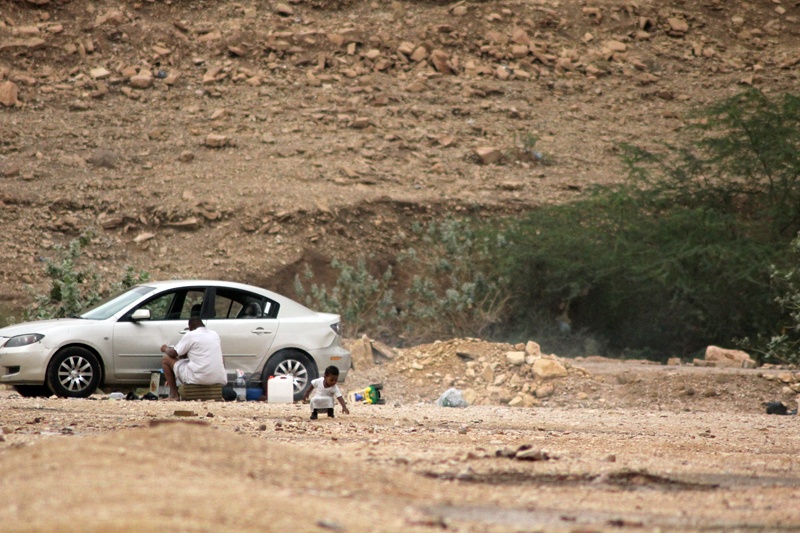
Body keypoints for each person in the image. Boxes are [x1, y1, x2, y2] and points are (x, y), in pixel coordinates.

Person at [160, 316, 227, 401]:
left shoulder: (191, 334)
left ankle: (174, 395)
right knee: (220, 357)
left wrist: (165, 348)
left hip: (198, 377)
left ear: (190, 327)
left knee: (166, 359)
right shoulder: (214, 334)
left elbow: (173, 353)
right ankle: (221, 392)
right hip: (218, 379)